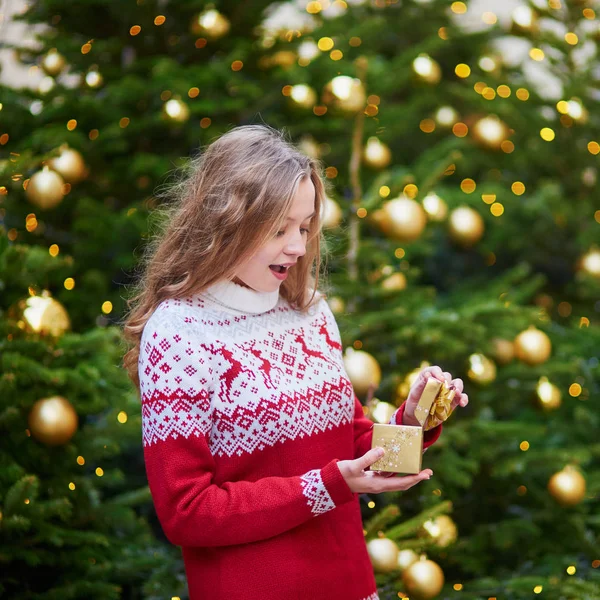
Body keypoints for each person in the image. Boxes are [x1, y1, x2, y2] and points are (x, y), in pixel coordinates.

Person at [121, 124, 469, 600]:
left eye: (304, 227)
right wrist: (325, 486)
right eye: (279, 228)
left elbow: (351, 448)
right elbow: (187, 510)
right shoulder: (180, 332)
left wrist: (413, 421)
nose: (299, 246)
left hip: (349, 584)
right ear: (229, 221)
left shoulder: (309, 311)